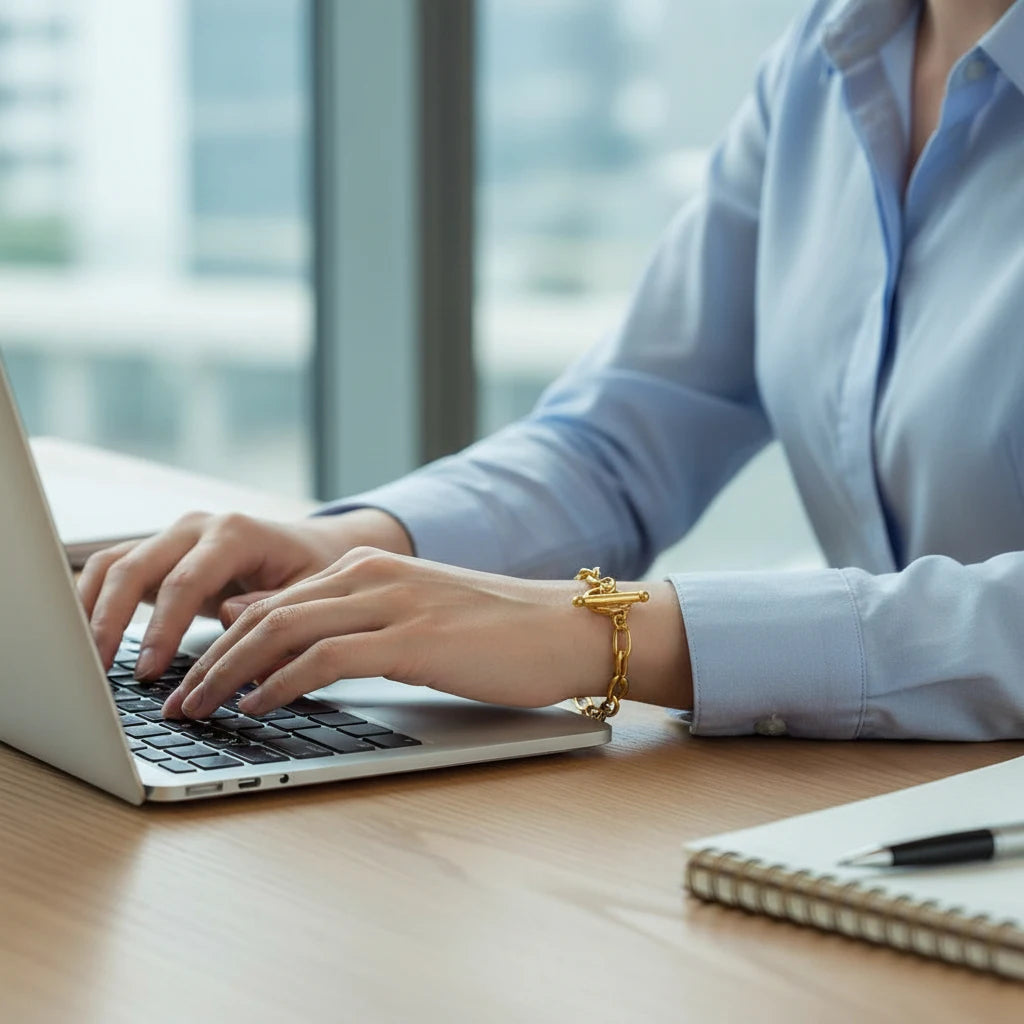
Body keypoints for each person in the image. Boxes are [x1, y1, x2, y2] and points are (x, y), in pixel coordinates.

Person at [81, 0, 1024, 740]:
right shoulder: (826, 58)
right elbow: (626, 434)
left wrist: (607, 632)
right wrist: (362, 547)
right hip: (866, 808)